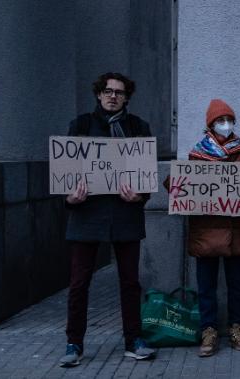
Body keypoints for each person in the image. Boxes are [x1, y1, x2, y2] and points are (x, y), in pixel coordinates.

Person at [59, 72, 156, 367]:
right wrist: (69, 198)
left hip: (125, 215)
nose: (113, 96)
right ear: (99, 95)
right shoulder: (81, 126)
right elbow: (65, 171)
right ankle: (74, 343)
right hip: (87, 214)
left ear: (127, 97)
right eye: (108, 91)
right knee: (79, 284)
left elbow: (146, 179)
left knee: (130, 282)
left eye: (119, 92)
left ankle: (133, 340)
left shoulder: (138, 127)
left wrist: (139, 197)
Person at [186, 99, 240, 357]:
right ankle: (208, 329)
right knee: (206, 285)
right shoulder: (196, 154)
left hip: (236, 232)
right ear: (210, 124)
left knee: (237, 283)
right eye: (220, 120)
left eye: (228, 120)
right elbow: (185, 189)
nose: (225, 125)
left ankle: (237, 327)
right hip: (206, 231)